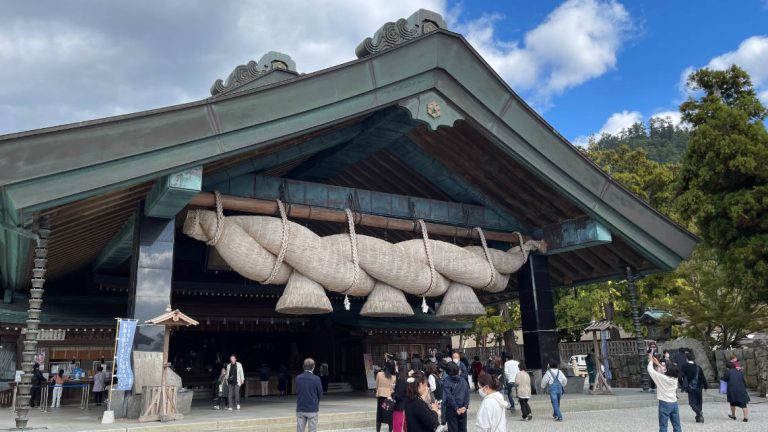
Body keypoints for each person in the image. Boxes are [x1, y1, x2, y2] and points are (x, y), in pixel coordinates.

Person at [647, 353, 681, 432]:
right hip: (674, 403)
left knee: (663, 426)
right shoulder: (675, 378)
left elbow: (651, 370)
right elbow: (666, 370)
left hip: (664, 403)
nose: (664, 368)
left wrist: (651, 361)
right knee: (677, 425)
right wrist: (657, 363)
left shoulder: (662, 378)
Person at [296, 358, 323, 432]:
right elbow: (320, 394)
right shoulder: (316, 379)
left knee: (300, 430)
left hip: (301, 407)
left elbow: (298, 391)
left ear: (303, 366)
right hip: (312, 408)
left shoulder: (298, 378)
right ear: (313, 367)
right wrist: (316, 402)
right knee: (312, 430)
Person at [442, 361, 469, 432]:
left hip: (451, 409)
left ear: (447, 372)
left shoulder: (446, 381)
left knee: (453, 429)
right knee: (463, 429)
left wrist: (456, 408)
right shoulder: (463, 380)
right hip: (463, 408)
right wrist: (465, 406)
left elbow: (448, 396)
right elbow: (467, 394)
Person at [680, 351, 707, 423]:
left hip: (690, 387)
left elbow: (680, 376)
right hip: (699, 387)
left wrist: (682, 384)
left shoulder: (684, 366)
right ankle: (699, 418)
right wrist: (706, 386)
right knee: (699, 402)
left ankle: (699, 412)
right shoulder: (698, 367)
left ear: (687, 359)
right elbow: (703, 377)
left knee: (691, 402)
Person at [375, 360, 396, 432]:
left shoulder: (379, 374)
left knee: (379, 415)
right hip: (389, 397)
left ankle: (378, 430)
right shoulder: (394, 377)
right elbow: (393, 388)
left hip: (380, 396)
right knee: (390, 415)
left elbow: (376, 385)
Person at [392, 361, 408, 432]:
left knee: (397, 428)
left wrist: (392, 394)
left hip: (399, 407)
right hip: (405, 406)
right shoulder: (406, 379)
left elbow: (399, 396)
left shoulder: (400, 380)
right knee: (405, 427)